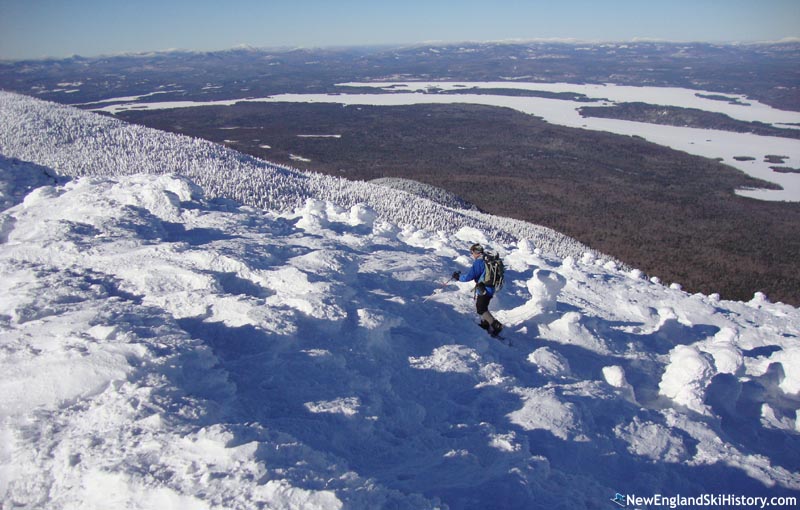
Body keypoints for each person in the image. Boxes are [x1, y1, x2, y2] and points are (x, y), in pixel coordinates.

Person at [452, 243, 504, 337]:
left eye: (472, 253)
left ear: (475, 252)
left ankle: (496, 325)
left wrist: (458, 277)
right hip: (490, 287)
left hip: (484, 288)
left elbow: (469, 276)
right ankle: (485, 324)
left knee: (481, 309)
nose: (472, 255)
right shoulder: (487, 260)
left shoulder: (479, 262)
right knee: (484, 306)